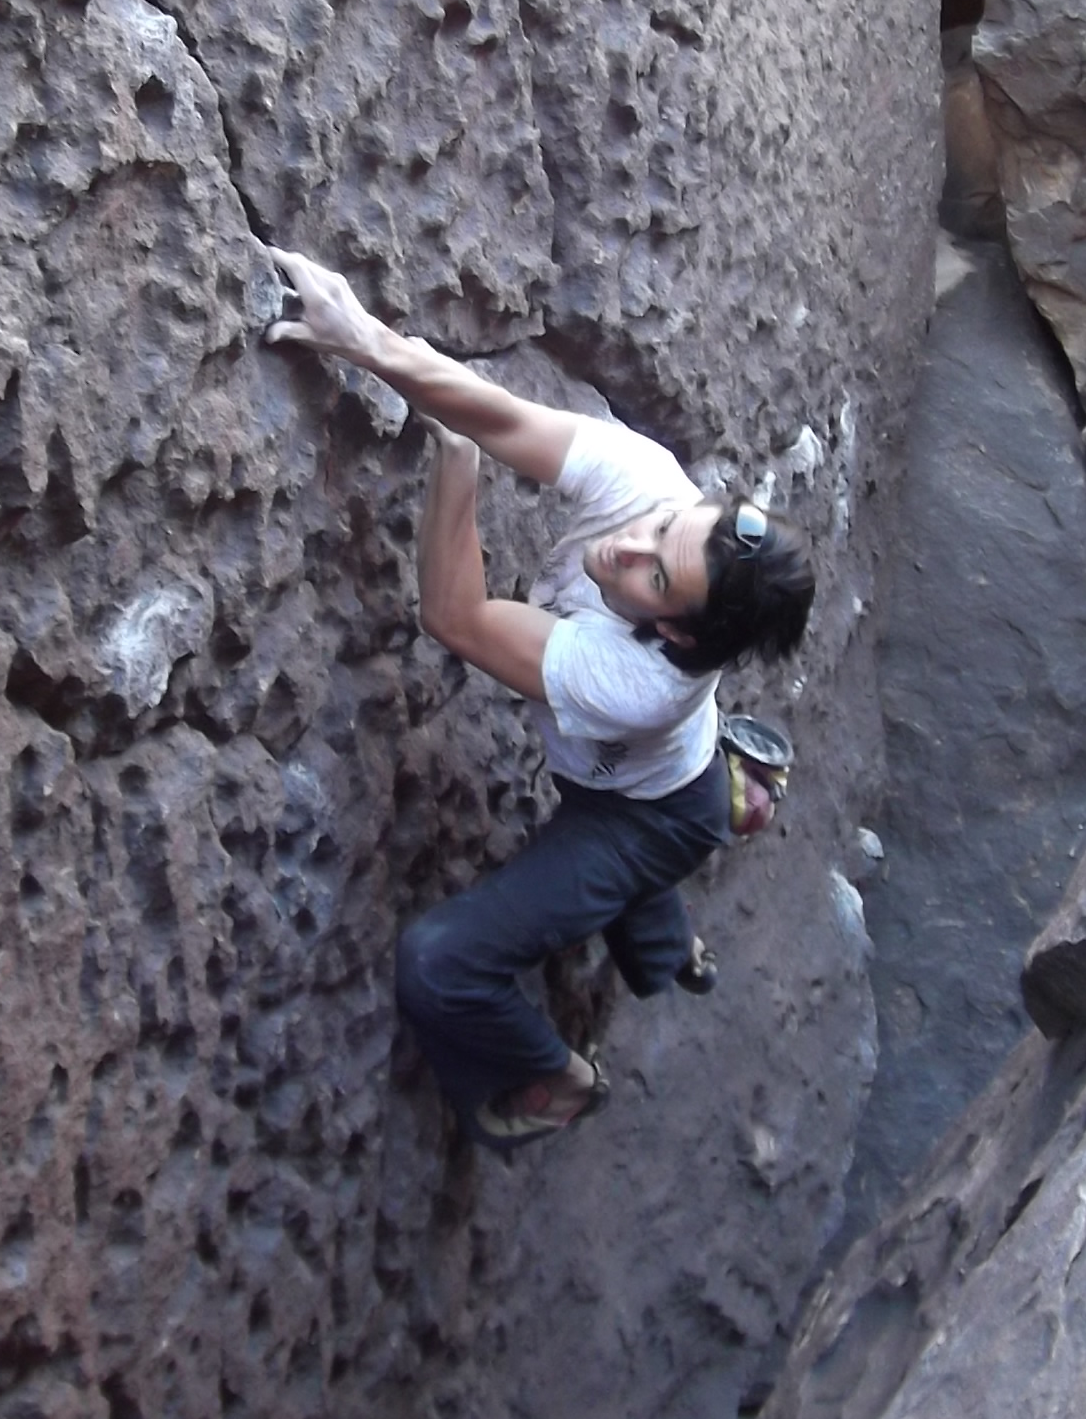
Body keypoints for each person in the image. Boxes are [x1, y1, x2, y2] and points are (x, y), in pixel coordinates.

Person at [265, 251, 814, 1153]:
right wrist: (361, 337)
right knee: (644, 907)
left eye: (652, 572)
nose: (628, 545)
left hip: (640, 814)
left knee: (439, 965)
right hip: (652, 774)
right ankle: (673, 946)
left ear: (675, 636)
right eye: (664, 526)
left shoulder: (641, 685)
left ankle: (554, 1077)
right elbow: (506, 412)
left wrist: (456, 465)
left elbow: (459, 616)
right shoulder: (654, 488)